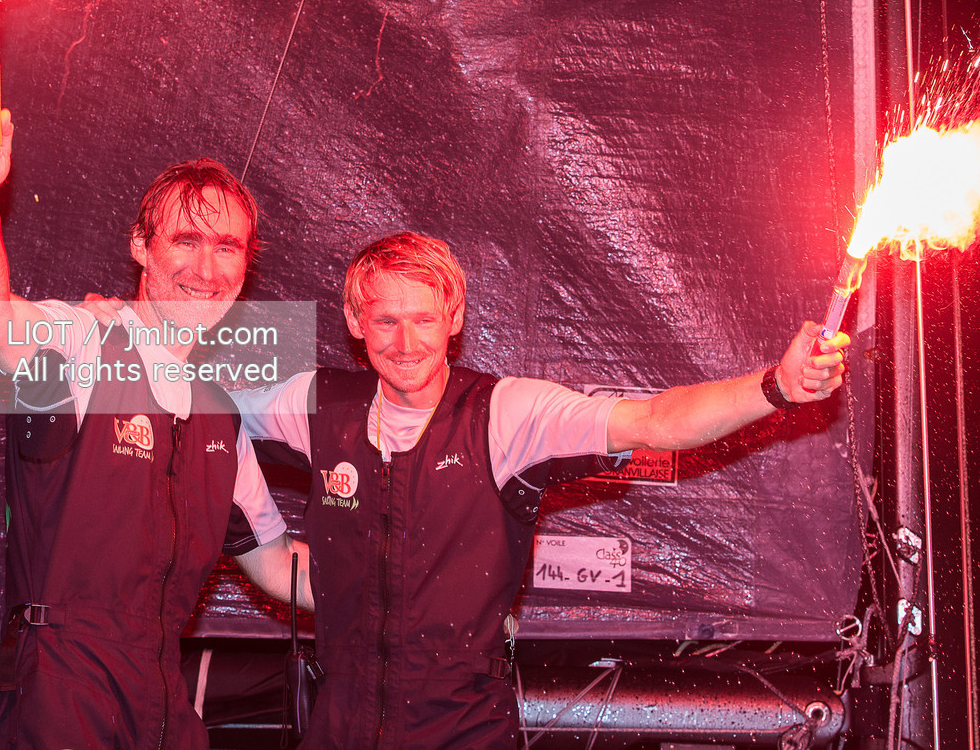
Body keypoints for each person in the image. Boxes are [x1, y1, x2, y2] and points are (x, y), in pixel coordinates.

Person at [229, 230, 849, 750]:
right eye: (386, 320)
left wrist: (776, 385)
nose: (406, 342)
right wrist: (139, 335)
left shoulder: (506, 413)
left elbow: (656, 419)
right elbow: (200, 407)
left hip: (461, 729)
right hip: (339, 726)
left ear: (455, 318)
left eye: (423, 318)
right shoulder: (319, 404)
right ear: (353, 322)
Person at [0, 106, 310, 750]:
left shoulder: (219, 414)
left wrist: (401, 587)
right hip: (59, 693)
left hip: (163, 699)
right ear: (141, 245)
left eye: (227, 247)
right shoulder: (85, 338)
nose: (206, 267)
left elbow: (276, 562)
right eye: (185, 240)